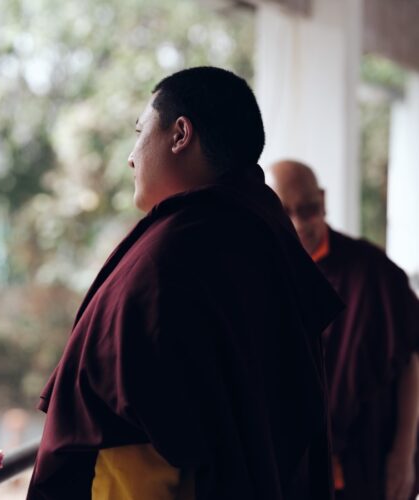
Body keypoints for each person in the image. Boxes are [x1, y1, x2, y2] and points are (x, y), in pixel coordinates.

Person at [26, 67, 343, 500]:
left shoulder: (174, 255)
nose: (131, 156)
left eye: (141, 132)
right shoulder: (260, 231)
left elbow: (131, 406)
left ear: (180, 134)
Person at [270, 160, 419, 500]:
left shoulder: (372, 272)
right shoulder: (264, 275)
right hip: (295, 470)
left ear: (322, 200)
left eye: (309, 209)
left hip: (366, 462)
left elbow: (409, 359)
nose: (299, 223)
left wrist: (403, 454)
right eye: (285, 212)